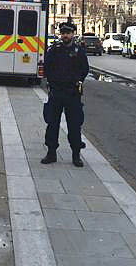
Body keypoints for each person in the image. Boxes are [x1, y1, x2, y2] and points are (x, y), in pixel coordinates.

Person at [41, 21, 90, 167]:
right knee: (52, 123)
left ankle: (76, 155)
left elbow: (85, 69)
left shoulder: (79, 51)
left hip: (72, 92)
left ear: (73, 34)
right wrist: (52, 81)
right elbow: (47, 66)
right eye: (63, 33)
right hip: (56, 91)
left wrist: (78, 80)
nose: (65, 36)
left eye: (68, 33)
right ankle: (51, 153)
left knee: (74, 125)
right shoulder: (54, 50)